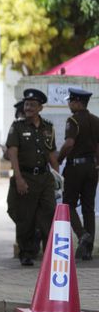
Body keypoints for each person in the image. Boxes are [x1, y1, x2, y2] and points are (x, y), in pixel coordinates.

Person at [6, 88, 57, 266]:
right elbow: (12, 153)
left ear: (40, 108)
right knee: (25, 218)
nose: (28, 108)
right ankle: (26, 253)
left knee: (48, 214)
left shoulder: (48, 128)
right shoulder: (17, 127)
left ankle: (48, 253)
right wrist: (18, 178)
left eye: (33, 105)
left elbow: (51, 155)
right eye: (27, 104)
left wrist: (58, 178)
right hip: (26, 177)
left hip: (45, 179)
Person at [57, 88, 99, 260]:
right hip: (92, 167)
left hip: (75, 168)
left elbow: (69, 143)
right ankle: (88, 251)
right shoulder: (96, 120)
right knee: (89, 207)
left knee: (68, 204)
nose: (69, 104)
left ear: (77, 102)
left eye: (70, 101)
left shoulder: (73, 120)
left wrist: (59, 158)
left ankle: (82, 235)